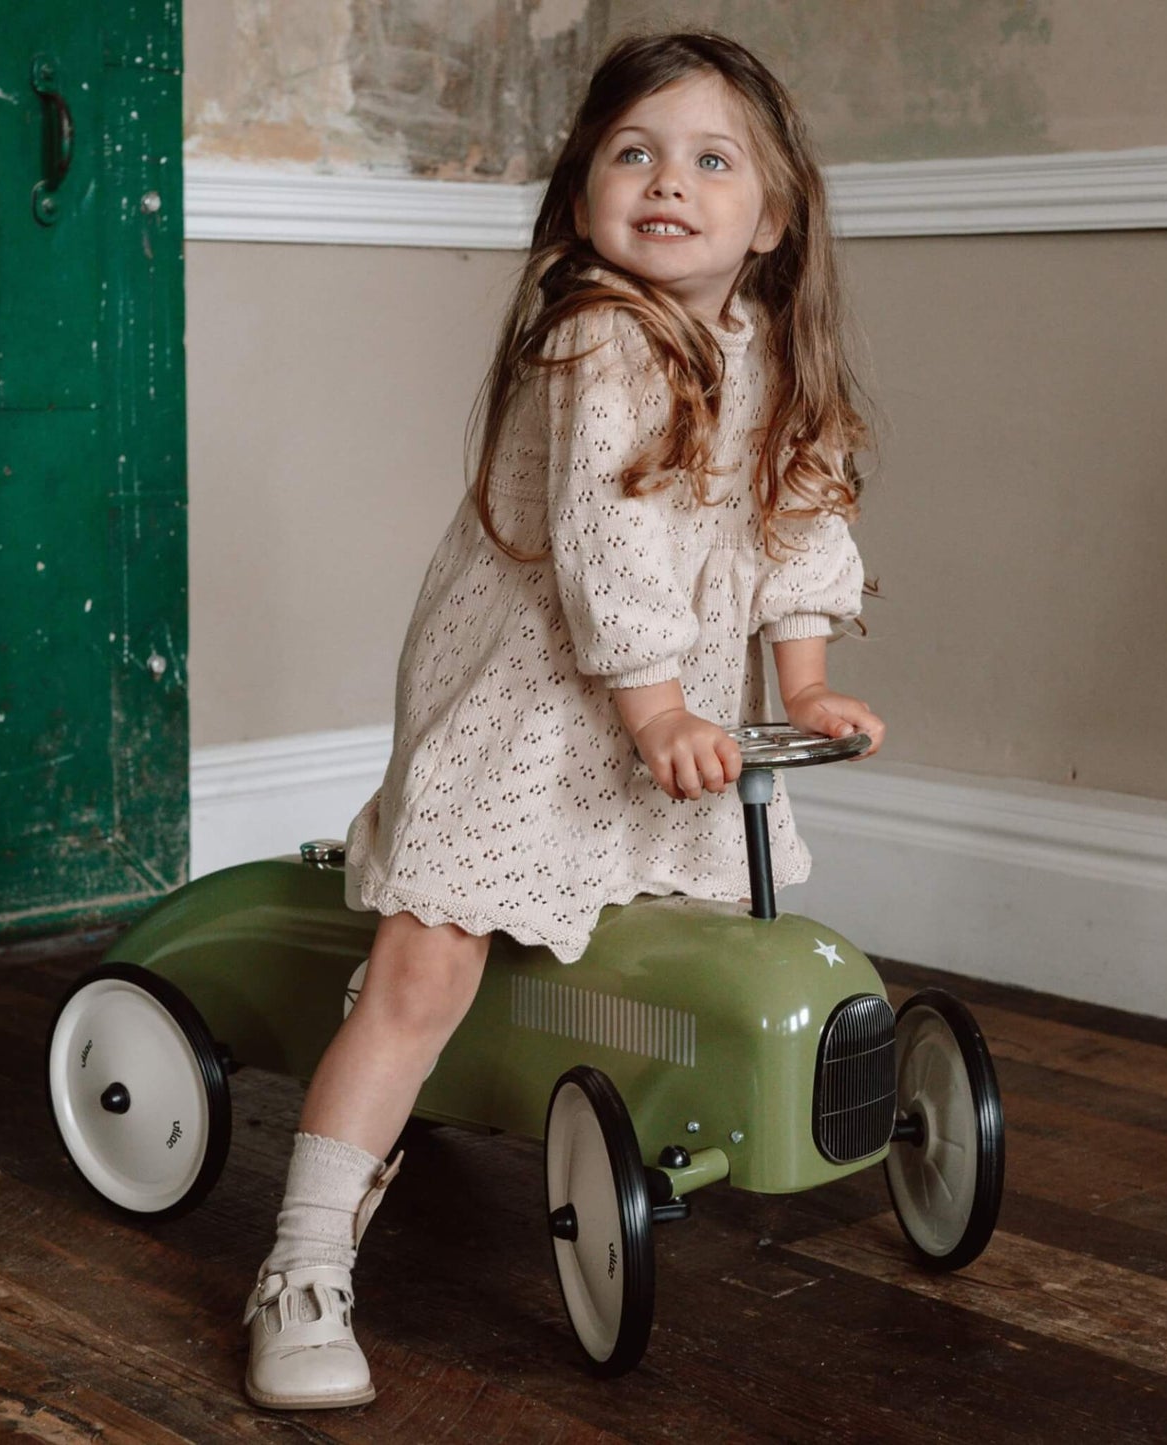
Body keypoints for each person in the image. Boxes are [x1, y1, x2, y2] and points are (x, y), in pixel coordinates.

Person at [243, 30, 886, 1410]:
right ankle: (303, 1259)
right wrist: (656, 707)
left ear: (772, 219)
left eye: (711, 161)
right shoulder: (596, 335)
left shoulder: (772, 353)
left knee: (645, 930)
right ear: (583, 189)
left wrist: (803, 682)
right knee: (424, 968)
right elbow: (609, 544)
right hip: (528, 708)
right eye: (633, 153)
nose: (668, 182)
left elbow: (799, 520)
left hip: (663, 716)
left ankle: (582, 1114)